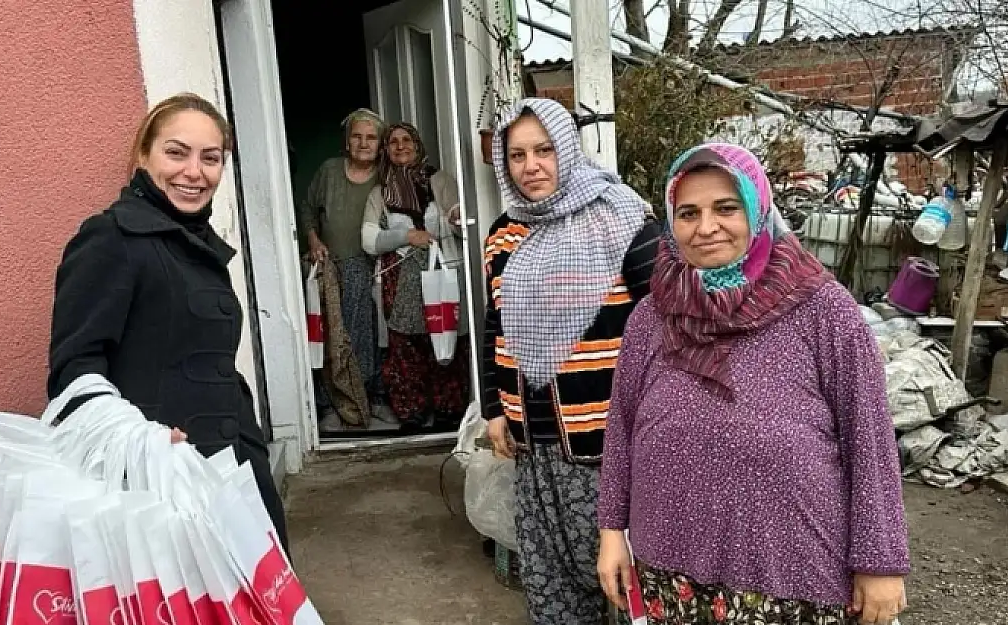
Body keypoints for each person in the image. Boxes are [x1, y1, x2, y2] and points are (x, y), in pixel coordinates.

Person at [597, 143, 910, 625]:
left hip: (792, 579)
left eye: (727, 207)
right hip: (671, 577)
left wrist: (881, 562)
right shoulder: (651, 316)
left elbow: (868, 437)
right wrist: (612, 530)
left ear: (759, 207)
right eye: (688, 213)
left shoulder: (823, 309)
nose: (705, 228)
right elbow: (622, 429)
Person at [47, 92, 290, 553]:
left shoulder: (191, 239)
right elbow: (73, 371)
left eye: (211, 158)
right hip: (160, 485)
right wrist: (140, 441)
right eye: (176, 152)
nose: (194, 172)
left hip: (233, 469)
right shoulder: (111, 238)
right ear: (143, 154)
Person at [481, 97, 662, 624]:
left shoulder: (624, 219)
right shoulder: (504, 233)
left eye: (544, 150)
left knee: (633, 592)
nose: (530, 166)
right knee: (553, 590)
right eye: (516, 155)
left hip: (610, 453)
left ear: (568, 149)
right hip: (535, 453)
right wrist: (496, 408)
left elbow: (666, 331)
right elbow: (498, 325)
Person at [361, 122, 470, 431]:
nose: (400, 146)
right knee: (406, 348)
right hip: (403, 280)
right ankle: (413, 414)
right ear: (386, 149)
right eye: (393, 142)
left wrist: (455, 219)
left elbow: (460, 219)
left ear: (418, 144)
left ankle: (449, 415)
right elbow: (369, 241)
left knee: (446, 339)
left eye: (406, 139)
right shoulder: (380, 192)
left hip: (442, 272)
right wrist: (408, 235)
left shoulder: (440, 181)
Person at [298, 108, 391, 427]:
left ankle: (370, 399)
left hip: (369, 268)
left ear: (380, 144)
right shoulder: (329, 170)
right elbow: (308, 208)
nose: (364, 143)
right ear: (347, 141)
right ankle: (329, 405)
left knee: (369, 336)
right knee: (328, 335)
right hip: (328, 266)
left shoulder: (386, 176)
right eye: (357, 136)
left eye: (371, 137)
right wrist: (313, 240)